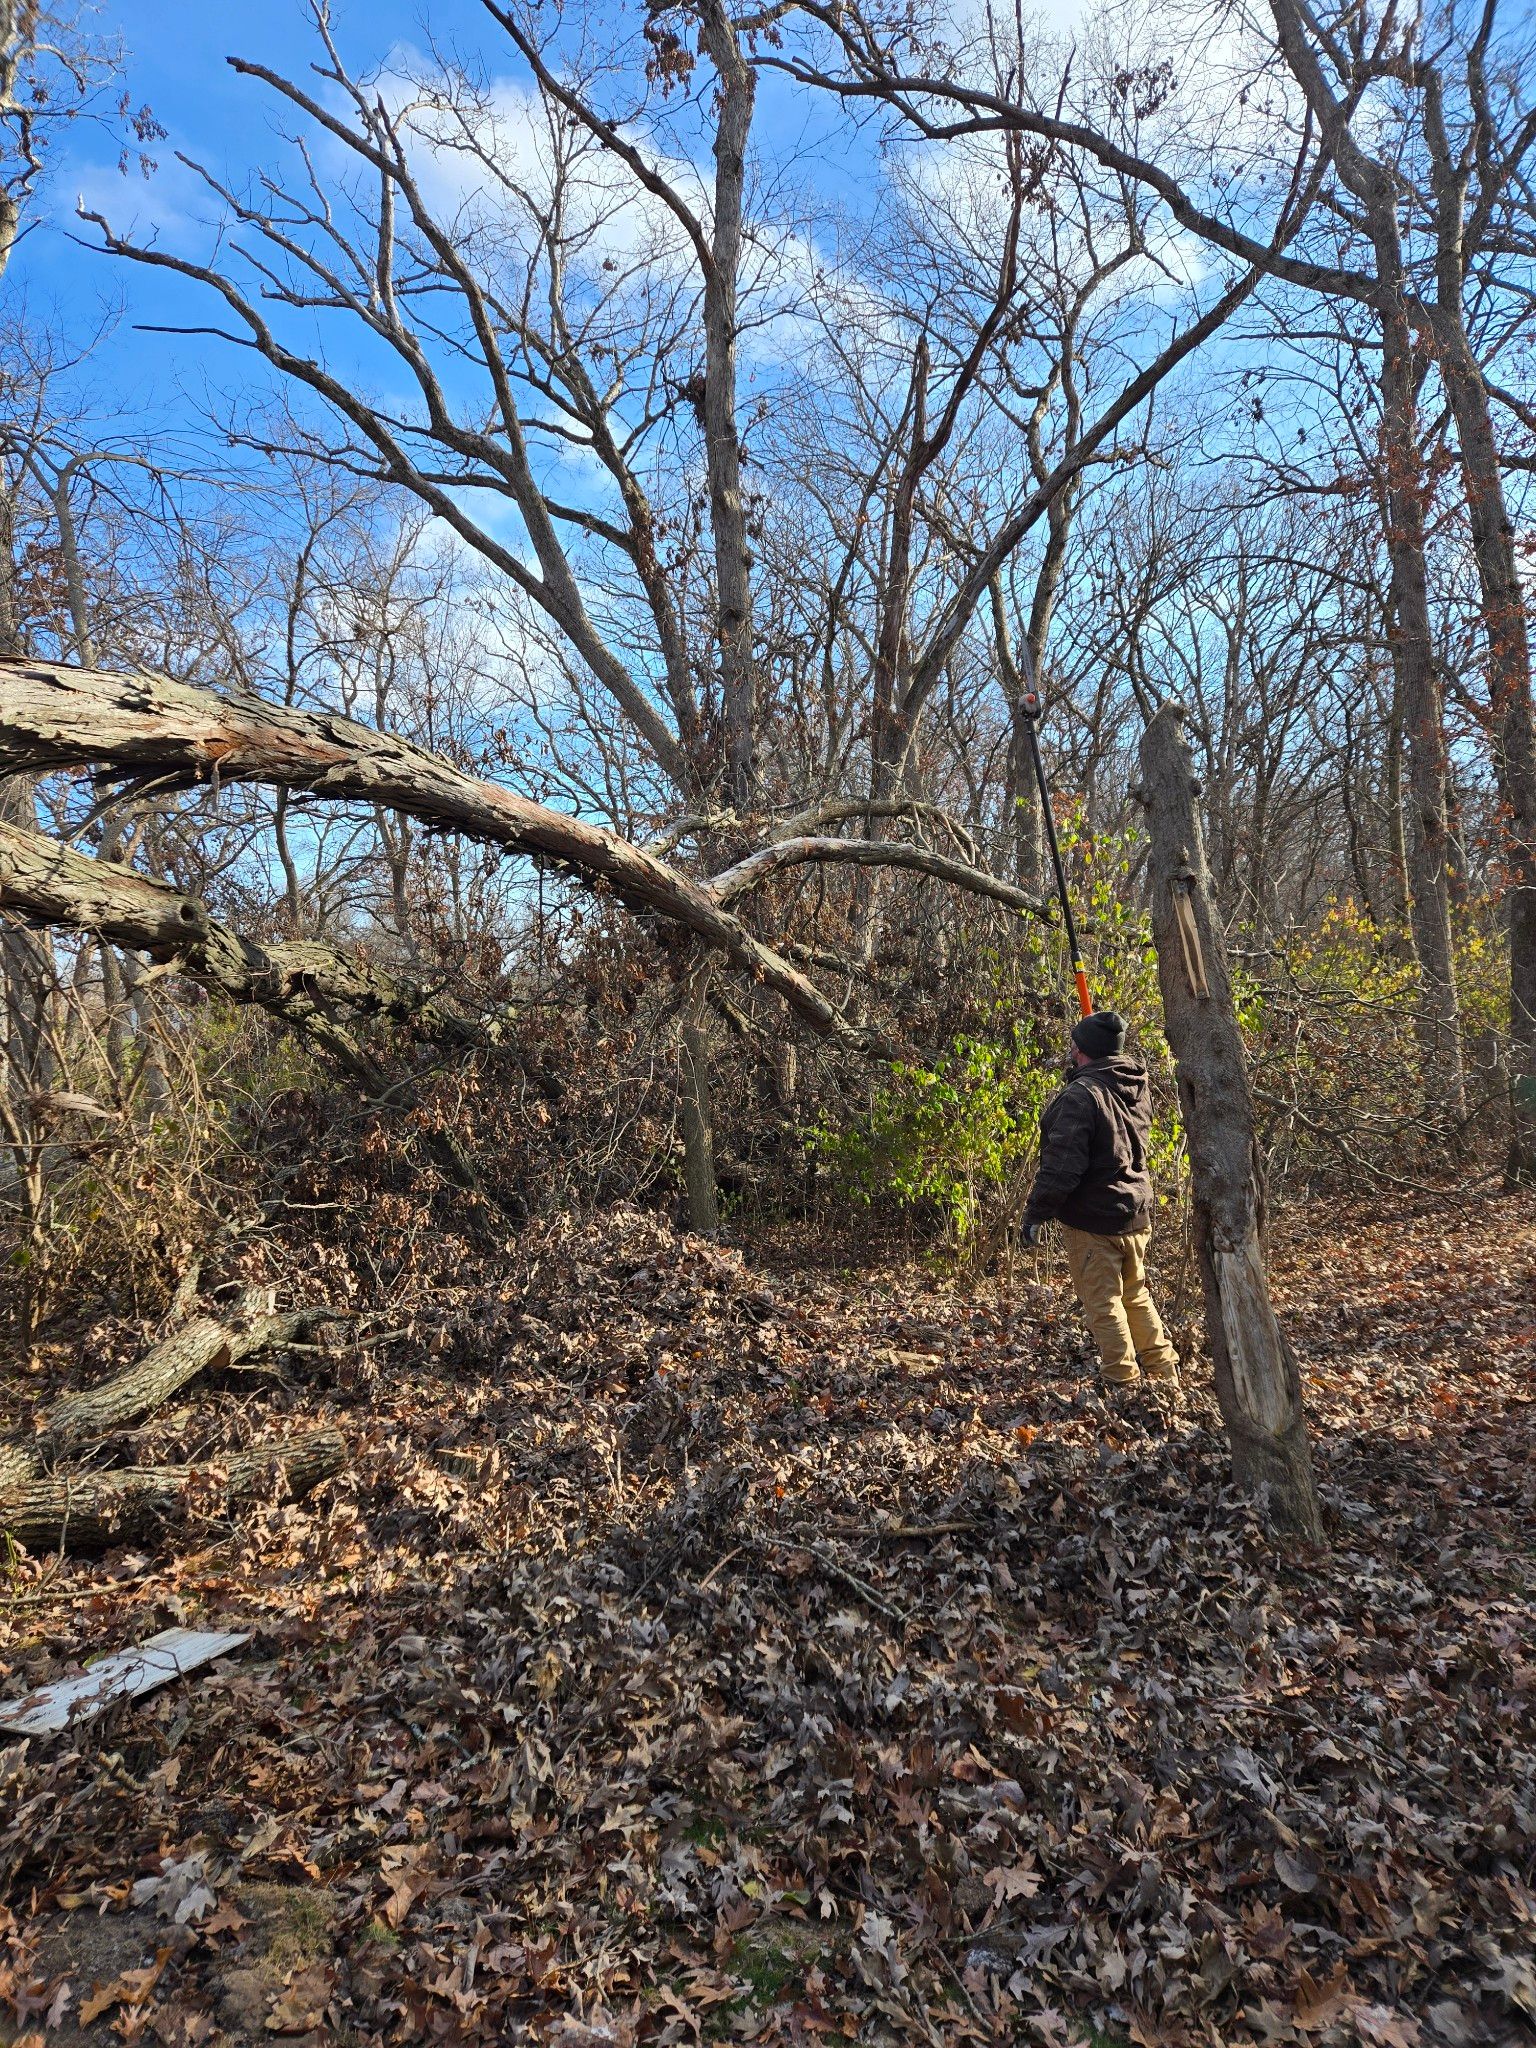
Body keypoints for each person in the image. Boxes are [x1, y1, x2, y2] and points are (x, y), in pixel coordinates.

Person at [1021, 1010, 1181, 1390]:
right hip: (1137, 1212)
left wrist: (1036, 1213)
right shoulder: (1135, 1085)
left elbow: (1062, 1168)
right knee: (1136, 1295)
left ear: (1082, 1051)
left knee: (1104, 1304)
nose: (1071, 1052)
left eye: (1075, 1047)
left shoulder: (1080, 1097)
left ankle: (1121, 1382)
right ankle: (1165, 1374)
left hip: (1096, 1220)